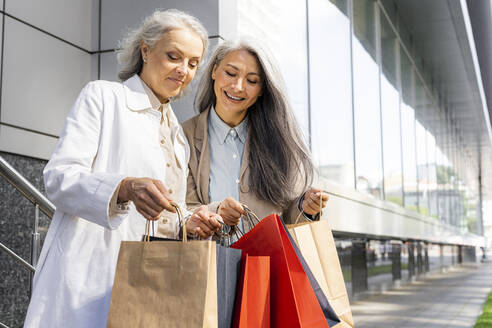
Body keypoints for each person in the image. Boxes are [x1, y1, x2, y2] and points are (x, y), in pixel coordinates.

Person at [24, 9, 220, 328]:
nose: (183, 70)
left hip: (147, 287)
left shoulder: (178, 138)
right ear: (145, 49)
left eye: (193, 63)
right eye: (174, 56)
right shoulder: (103, 98)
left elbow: (166, 215)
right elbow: (59, 178)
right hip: (87, 281)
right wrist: (124, 187)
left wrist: (190, 221)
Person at [183, 38, 329, 237]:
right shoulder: (185, 135)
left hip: (266, 264)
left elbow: (288, 217)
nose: (238, 86)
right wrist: (216, 211)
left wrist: (306, 208)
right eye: (231, 73)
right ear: (214, 70)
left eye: (252, 81)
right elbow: (183, 208)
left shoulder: (279, 140)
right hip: (209, 262)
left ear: (262, 89)